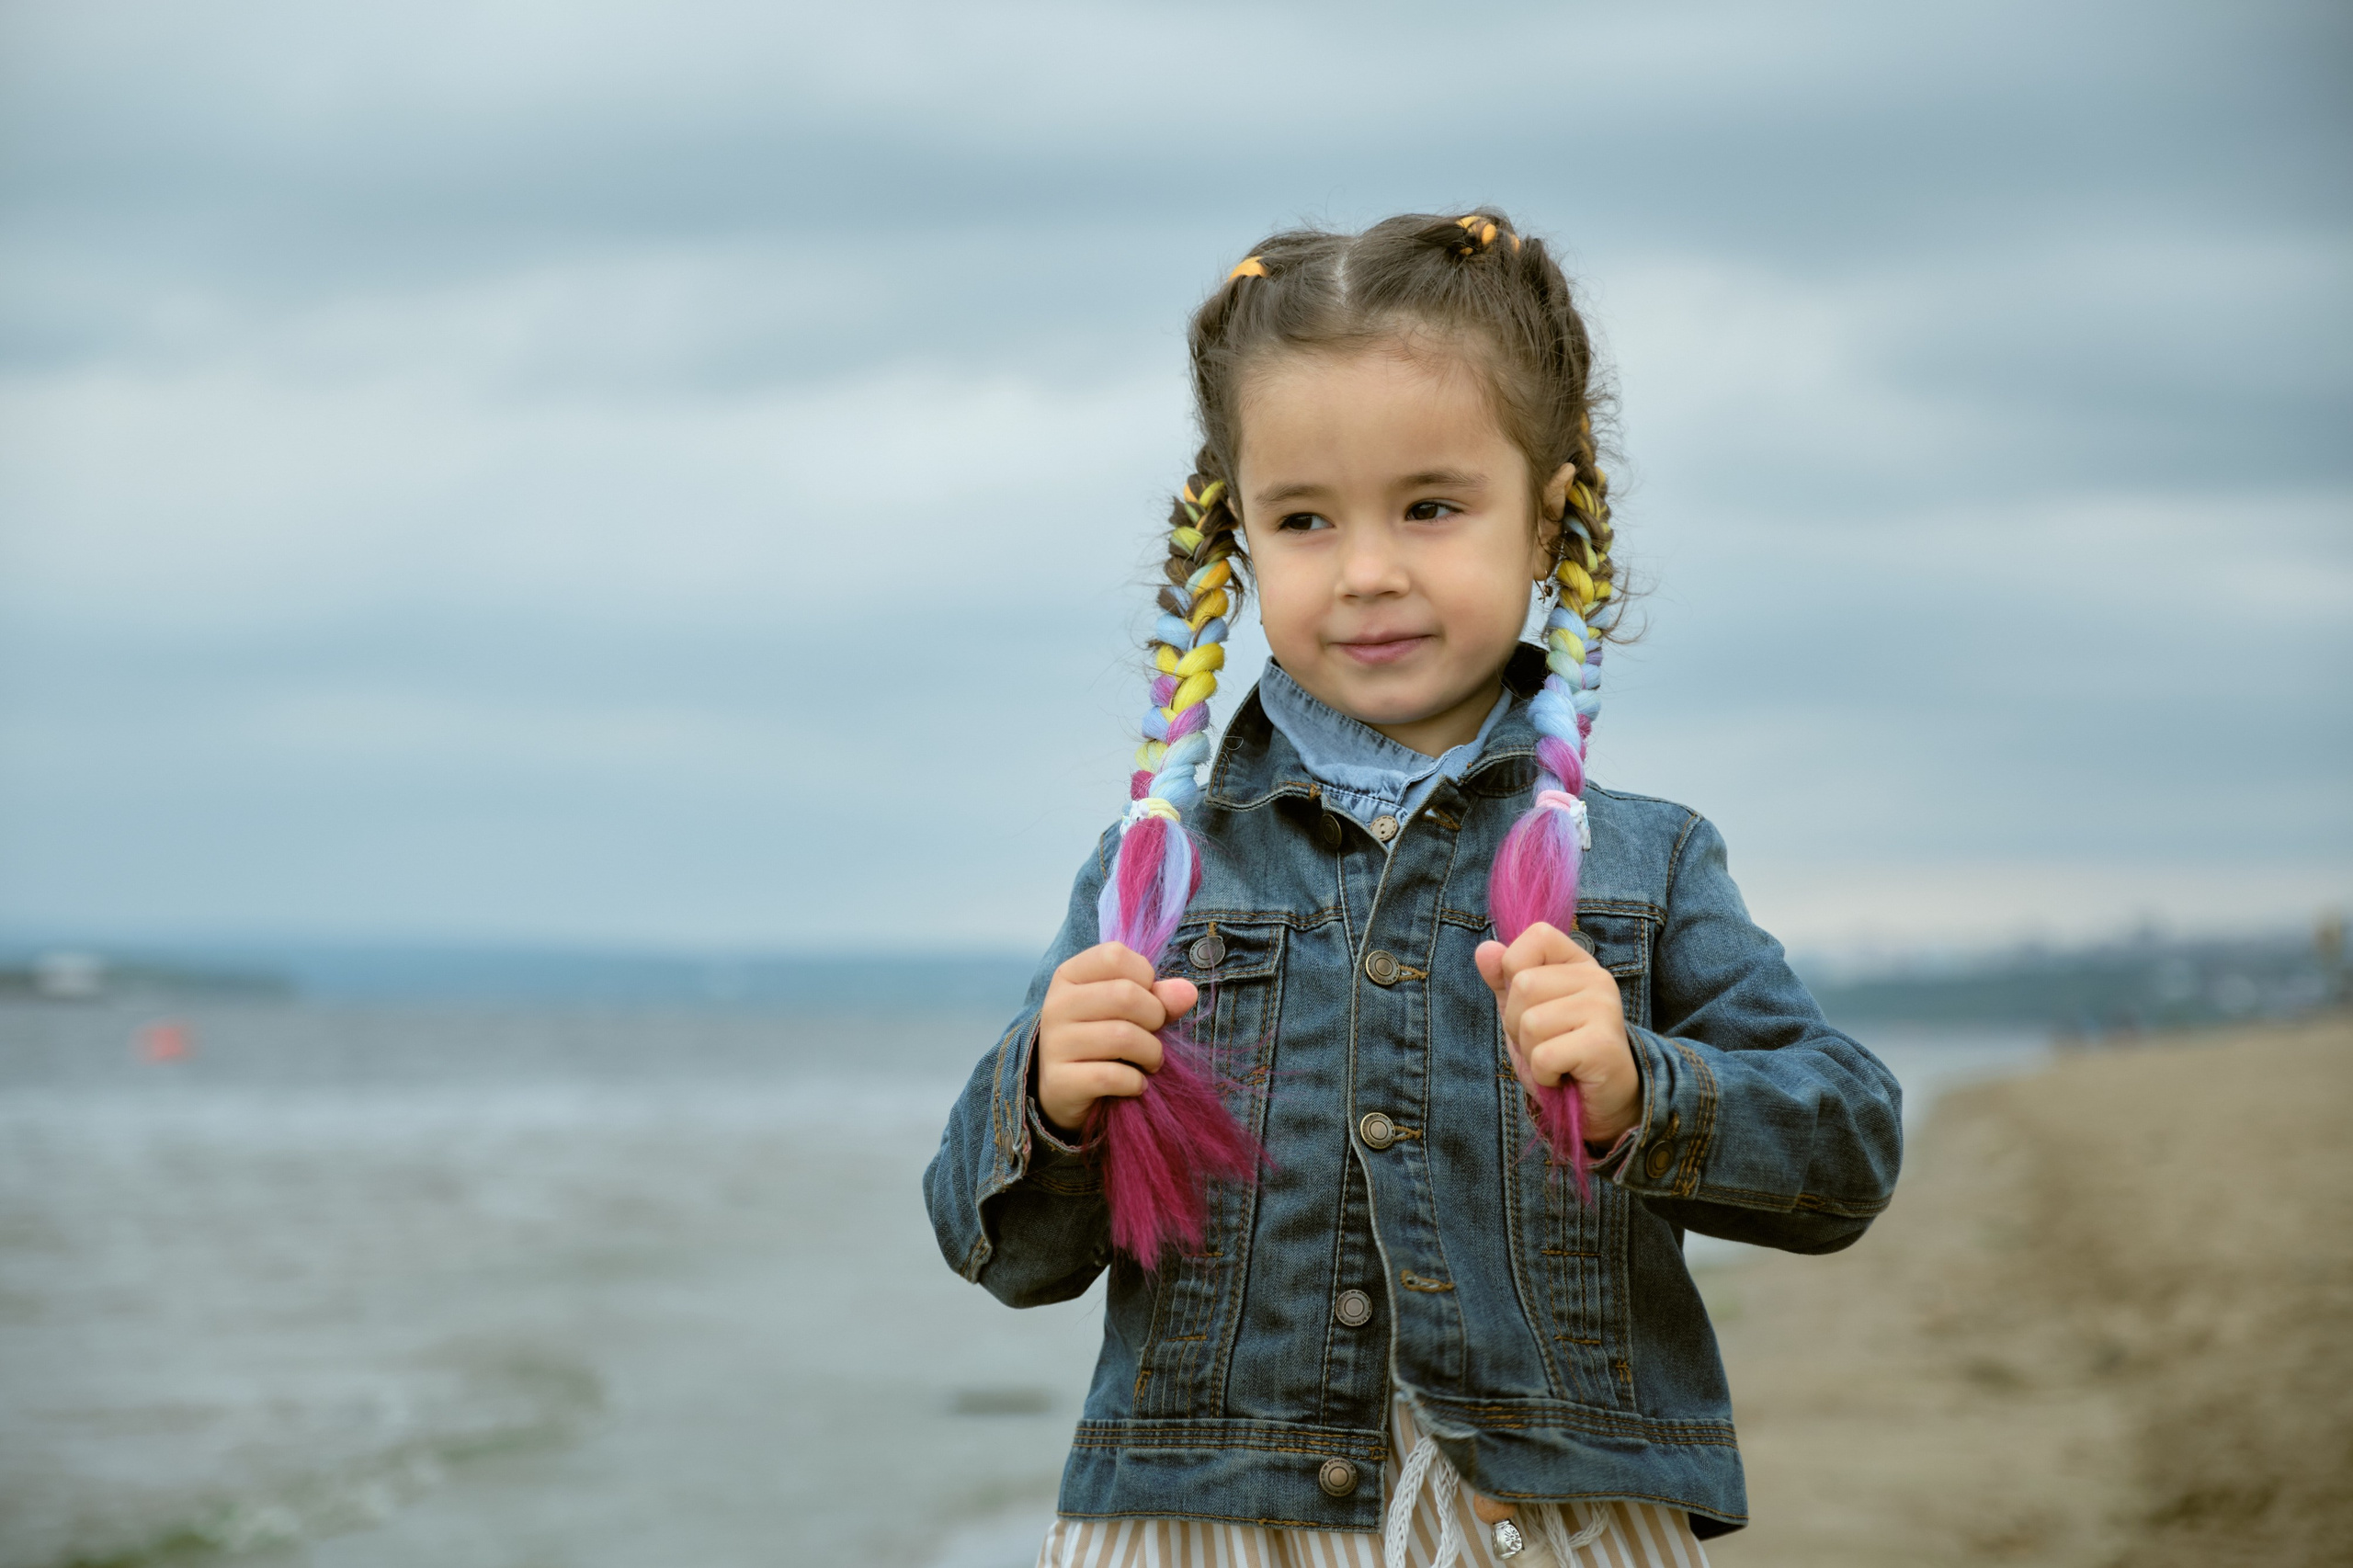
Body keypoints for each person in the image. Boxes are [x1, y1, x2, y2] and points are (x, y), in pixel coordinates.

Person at [923, 210, 1904, 1568]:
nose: (1369, 569)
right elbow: (1006, 1251)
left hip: (1542, 1519)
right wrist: (1047, 1098)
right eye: (1305, 518)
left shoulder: (1647, 861)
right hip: (1212, 1517)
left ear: (1547, 514)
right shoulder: (1157, 875)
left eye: (1431, 506)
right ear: (1240, 538)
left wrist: (1641, 1089)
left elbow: (1849, 1149)